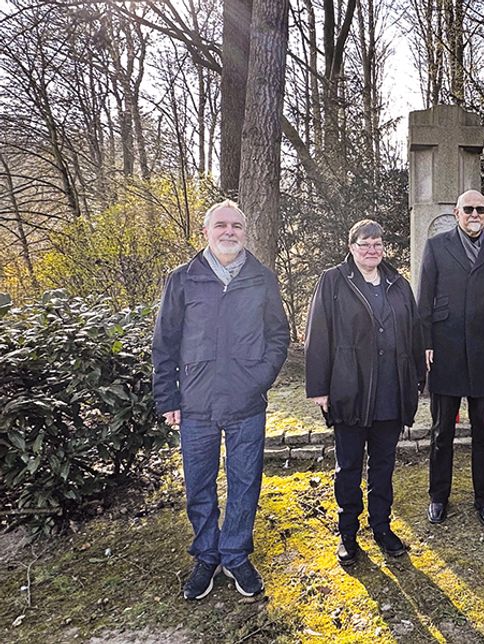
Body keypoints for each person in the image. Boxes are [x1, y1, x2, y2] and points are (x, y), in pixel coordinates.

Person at [152, 200, 290, 600]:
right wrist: (168, 398)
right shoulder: (182, 279)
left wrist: (260, 377)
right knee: (199, 482)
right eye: (221, 226)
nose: (229, 232)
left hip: (247, 402)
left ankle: (235, 554)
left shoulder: (262, 278)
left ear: (245, 232)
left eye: (236, 226)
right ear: (206, 232)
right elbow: (164, 344)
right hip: (195, 403)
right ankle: (207, 554)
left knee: (245, 481)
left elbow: (278, 336)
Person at [304, 219, 425, 567]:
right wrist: (319, 388)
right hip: (350, 389)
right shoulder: (333, 281)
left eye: (377, 244)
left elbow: (414, 331)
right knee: (349, 467)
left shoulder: (398, 283)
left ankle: (382, 527)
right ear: (351, 247)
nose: (371, 250)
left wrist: (417, 375)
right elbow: (318, 334)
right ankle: (347, 534)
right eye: (364, 244)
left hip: (390, 390)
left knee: (384, 465)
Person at [418, 189, 484, 527]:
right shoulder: (437, 246)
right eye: (468, 208)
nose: (475, 214)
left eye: (481, 209)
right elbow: (424, 298)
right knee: (442, 430)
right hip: (445, 351)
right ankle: (438, 496)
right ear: (457, 213)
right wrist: (425, 342)